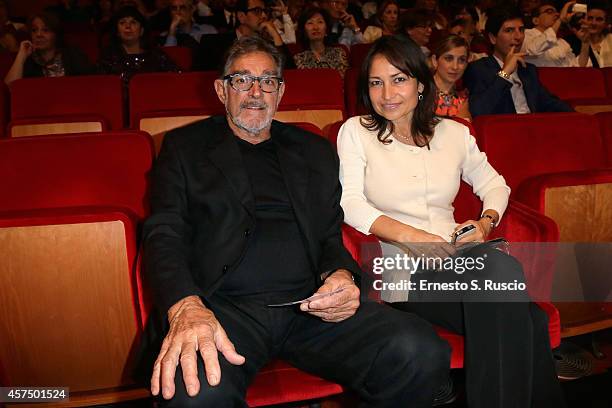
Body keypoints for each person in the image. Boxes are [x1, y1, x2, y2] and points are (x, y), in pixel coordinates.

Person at [137, 35, 451, 407]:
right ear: (222, 90)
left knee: (419, 349)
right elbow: (164, 233)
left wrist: (341, 276)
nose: (256, 92)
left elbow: (329, 237)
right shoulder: (184, 147)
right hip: (222, 308)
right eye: (242, 80)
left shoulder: (313, 151)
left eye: (268, 81)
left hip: (310, 309)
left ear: (280, 92)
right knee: (195, 392)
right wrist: (185, 306)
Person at [337, 34, 566, 408]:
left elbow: (495, 184)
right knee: (499, 271)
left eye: (399, 79)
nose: (386, 93)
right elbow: (348, 203)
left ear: (420, 85)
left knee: (532, 320)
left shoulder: (455, 133)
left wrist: (485, 222)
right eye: (376, 82)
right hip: (403, 271)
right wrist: (410, 236)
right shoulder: (357, 132)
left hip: (461, 258)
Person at [462, 6, 572, 117]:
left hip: (532, 128)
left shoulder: (528, 70)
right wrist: (505, 73)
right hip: (502, 131)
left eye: (521, 30)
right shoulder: (478, 69)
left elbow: (550, 103)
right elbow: (478, 110)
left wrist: (582, 117)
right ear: (493, 38)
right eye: (509, 30)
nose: (518, 36)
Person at [196, 0, 293, 70]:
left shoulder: (269, 44)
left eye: (265, 11)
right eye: (257, 11)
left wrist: (275, 34)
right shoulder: (213, 43)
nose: (264, 16)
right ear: (241, 16)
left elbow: (290, 72)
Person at [4, 12, 92, 85]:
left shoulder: (73, 54)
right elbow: (9, 88)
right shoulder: (28, 60)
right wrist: (21, 56)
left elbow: (91, 84)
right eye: (34, 30)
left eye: (45, 30)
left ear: (56, 34)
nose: (38, 35)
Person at [97, 6, 178, 83]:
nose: (128, 26)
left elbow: (178, 77)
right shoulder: (108, 57)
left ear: (141, 31)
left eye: (133, 22)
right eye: (122, 23)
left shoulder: (156, 55)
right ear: (117, 32)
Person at [523, 1, 590, 67]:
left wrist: (585, 43)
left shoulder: (562, 42)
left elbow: (577, 66)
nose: (557, 14)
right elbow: (533, 49)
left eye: (556, 12)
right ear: (536, 20)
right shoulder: (525, 35)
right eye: (549, 12)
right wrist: (560, 20)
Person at [293, 7, 348, 76]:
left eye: (320, 22)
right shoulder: (298, 59)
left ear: (326, 29)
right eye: (310, 23)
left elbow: (343, 82)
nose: (315, 27)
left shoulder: (339, 53)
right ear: (304, 31)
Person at [431, 35, 471, 121]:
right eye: (449, 59)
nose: (455, 67)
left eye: (461, 60)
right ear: (435, 61)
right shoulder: (419, 92)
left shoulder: (463, 99)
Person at [583, 1, 612, 67]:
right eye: (590, 18)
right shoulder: (575, 43)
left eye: (599, 19)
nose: (593, 23)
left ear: (606, 23)